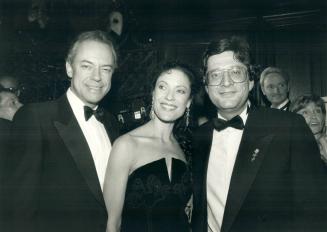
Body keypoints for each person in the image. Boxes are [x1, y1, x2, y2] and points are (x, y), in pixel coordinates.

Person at [191, 36, 327, 232]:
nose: (226, 82)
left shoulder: (288, 127)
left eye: (236, 72)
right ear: (206, 86)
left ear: (251, 82)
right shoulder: (199, 137)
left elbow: (315, 211)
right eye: (215, 75)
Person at [4, 30, 120, 232]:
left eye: (106, 69)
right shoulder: (35, 118)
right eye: (86, 66)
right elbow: (18, 208)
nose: (97, 77)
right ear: (69, 68)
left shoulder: (111, 124)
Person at [103, 62, 199, 232]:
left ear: (189, 102)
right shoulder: (126, 145)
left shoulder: (185, 149)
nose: (170, 97)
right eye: (163, 87)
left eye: (180, 91)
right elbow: (112, 224)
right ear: (153, 93)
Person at [290, 94, 327, 164]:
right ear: (295, 118)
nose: (314, 116)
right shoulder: (291, 150)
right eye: (305, 112)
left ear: (324, 116)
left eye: (317, 111)